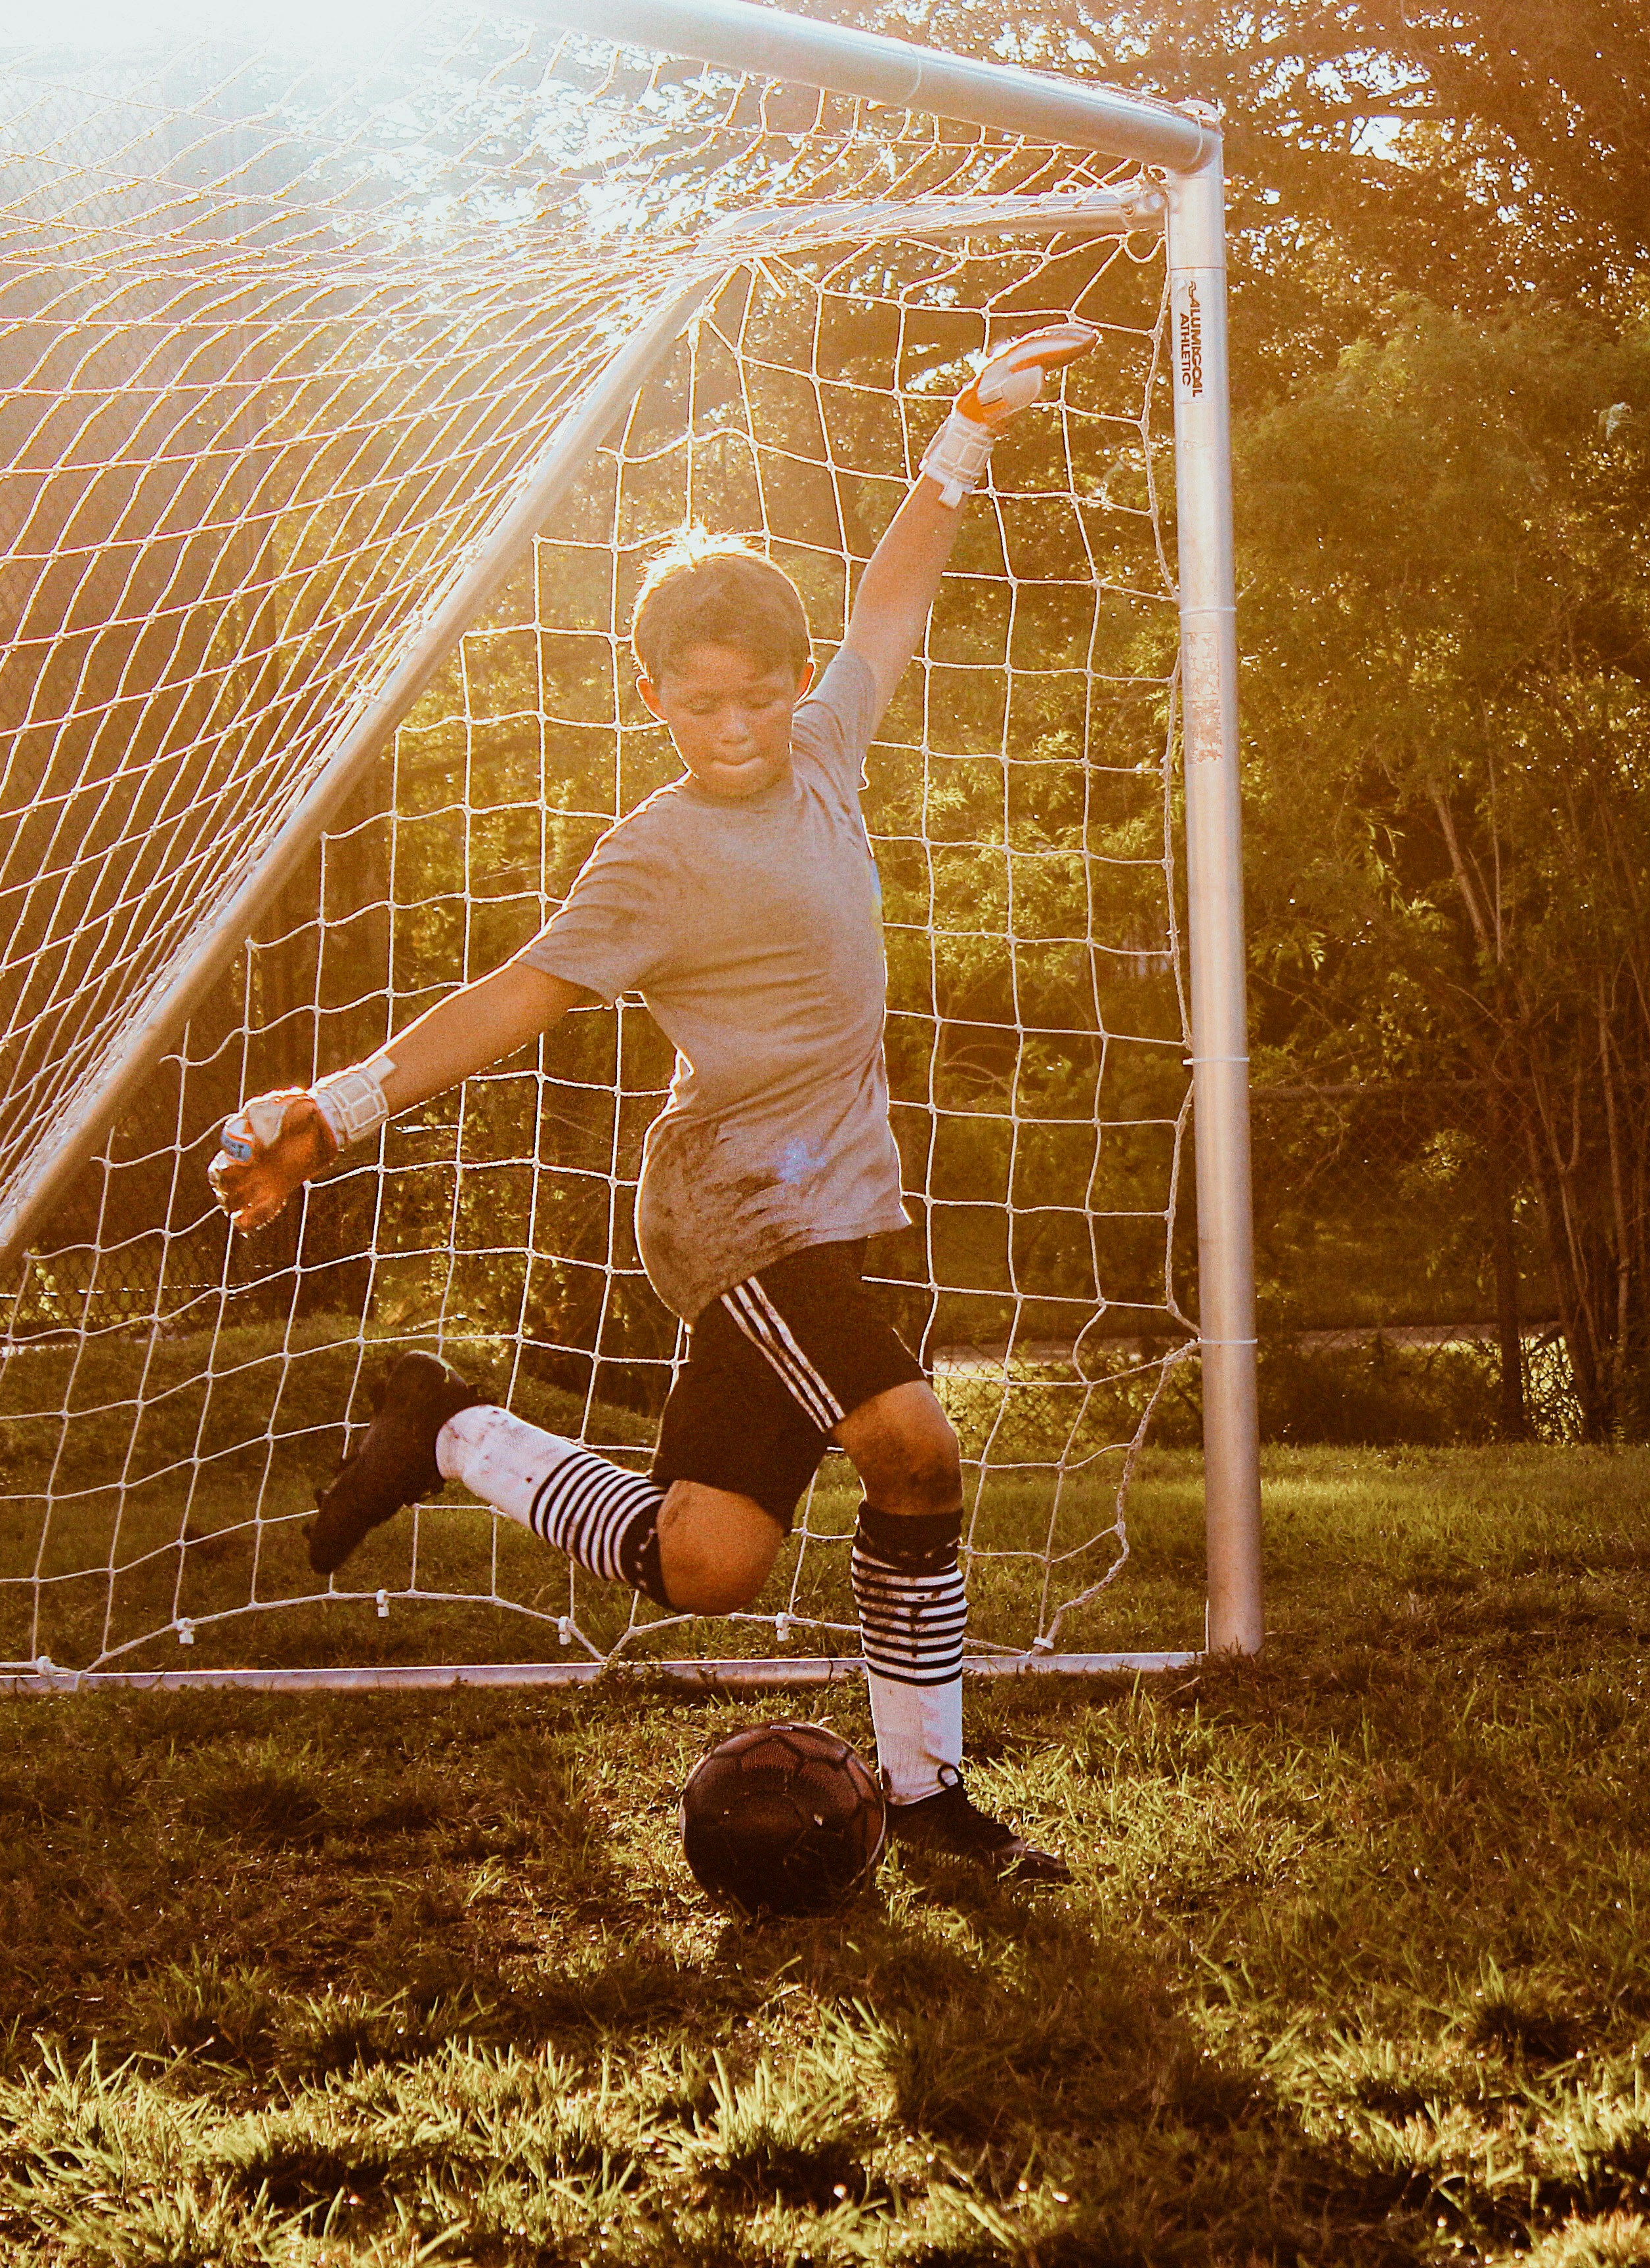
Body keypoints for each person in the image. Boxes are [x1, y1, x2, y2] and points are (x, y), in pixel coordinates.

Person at [205, 320, 1105, 1884]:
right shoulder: (653, 852)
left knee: (707, 1562)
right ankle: (931, 1802)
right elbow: (517, 995)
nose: (740, 728)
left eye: (759, 694)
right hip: (741, 1209)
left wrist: (962, 429)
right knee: (914, 1449)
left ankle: (449, 1439)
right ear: (654, 699)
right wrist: (337, 1106)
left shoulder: (826, 751)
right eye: (702, 705)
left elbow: (893, 600)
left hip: (845, 1199)